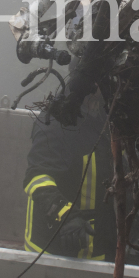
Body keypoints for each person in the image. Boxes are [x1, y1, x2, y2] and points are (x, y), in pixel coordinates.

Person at [23, 93, 116, 260]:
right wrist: (66, 215)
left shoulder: (105, 118)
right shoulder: (56, 122)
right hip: (53, 252)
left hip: (100, 248)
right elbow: (36, 177)